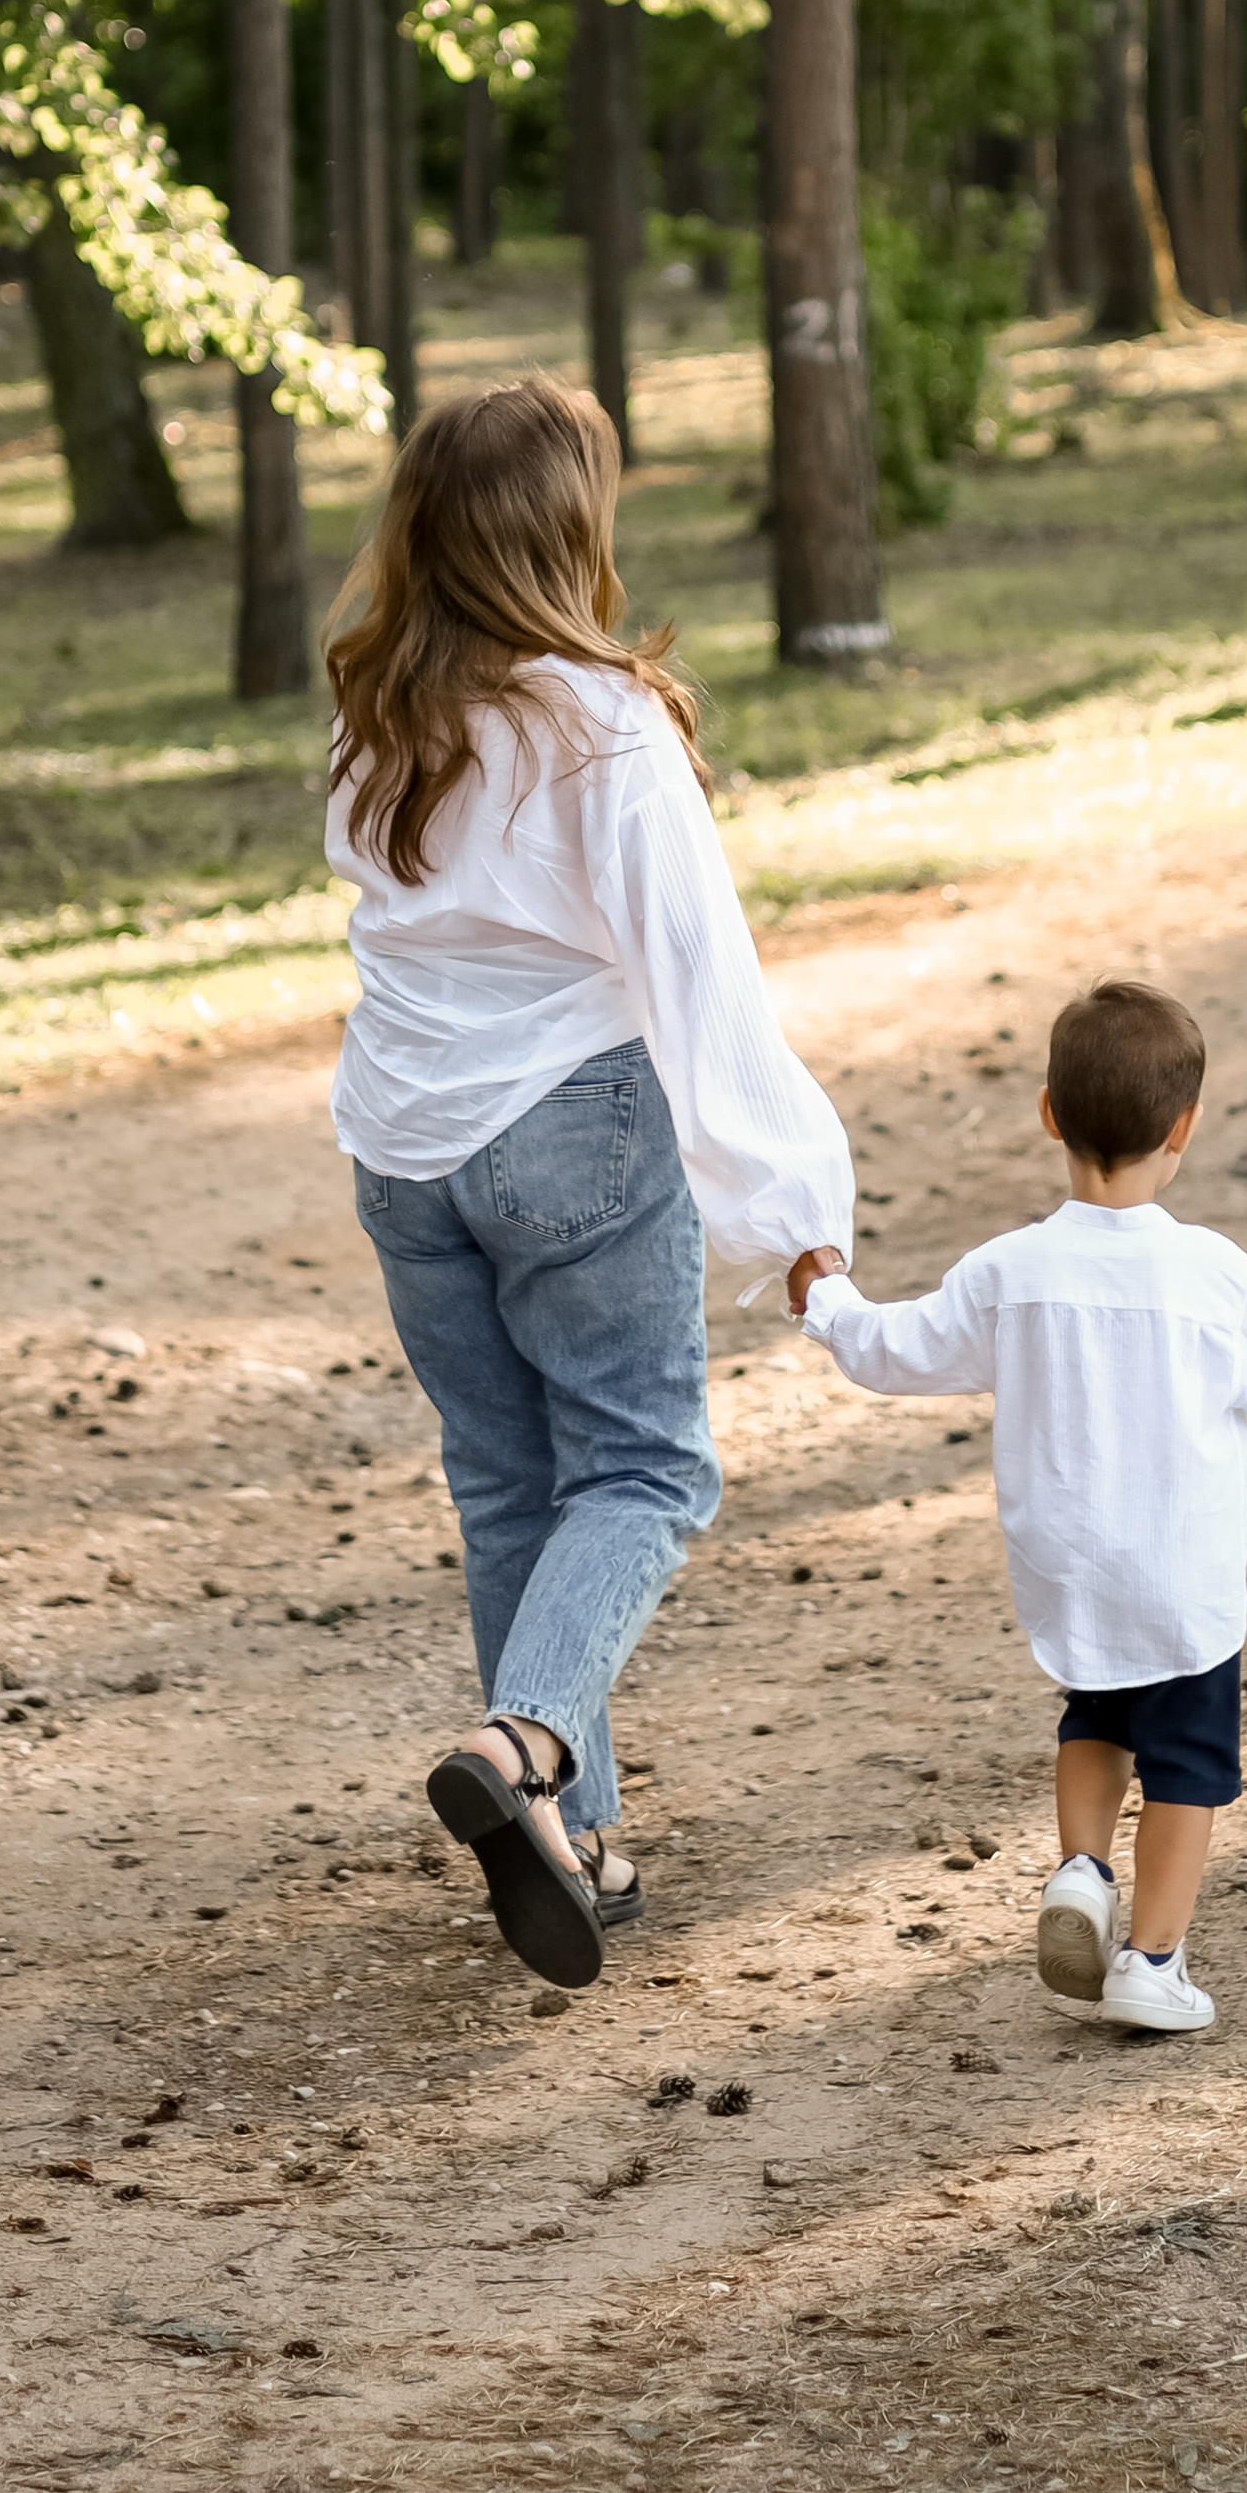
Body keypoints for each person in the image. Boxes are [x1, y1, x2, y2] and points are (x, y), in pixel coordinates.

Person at [326, 373, 852, 1989]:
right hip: (569, 1133)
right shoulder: (602, 726)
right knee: (643, 1473)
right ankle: (534, 1740)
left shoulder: (379, 715)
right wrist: (794, 1207)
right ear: (569, 529)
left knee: (508, 1484)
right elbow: (699, 976)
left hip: (404, 1149)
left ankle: (564, 1826)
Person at [792, 979, 1247, 2034]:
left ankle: (1078, 1868)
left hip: (1067, 1568)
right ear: (1184, 1130)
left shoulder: (1007, 1271)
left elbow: (896, 1352)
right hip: (1180, 1577)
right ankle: (1151, 1960)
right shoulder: (1211, 1275)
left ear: (1049, 1113)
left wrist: (826, 1296)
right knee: (1188, 1765)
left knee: (1097, 1711)